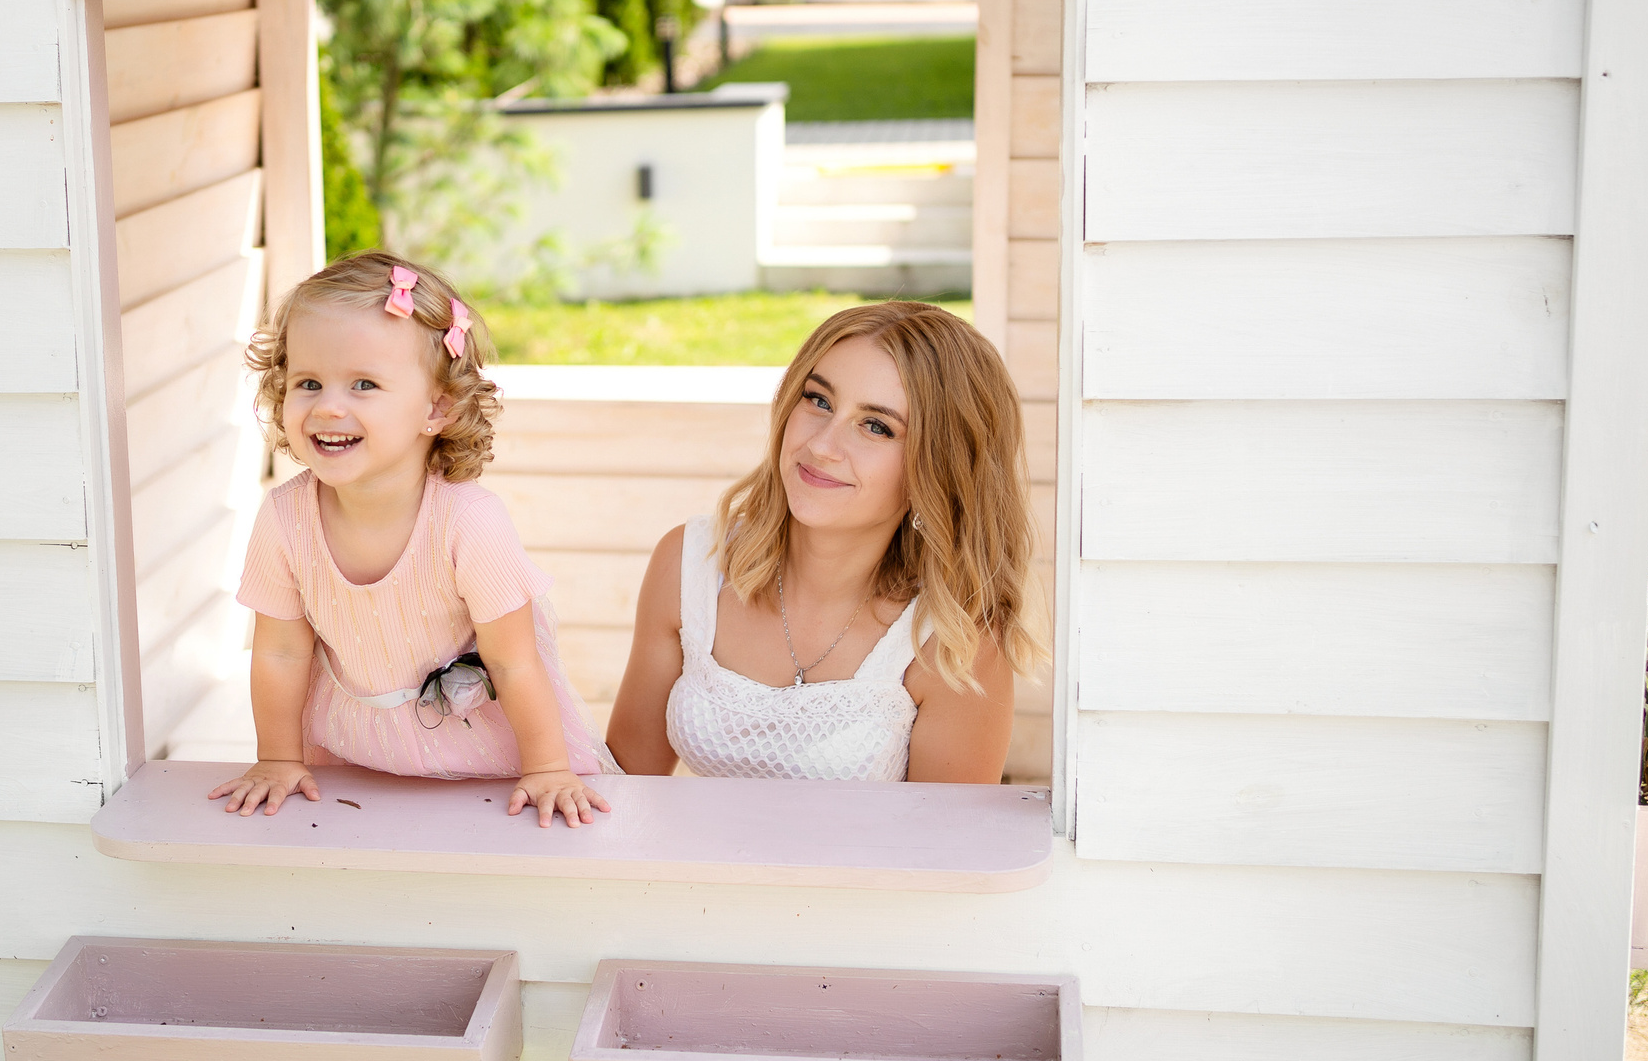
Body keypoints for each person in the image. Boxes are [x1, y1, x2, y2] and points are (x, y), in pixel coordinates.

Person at [210, 251, 614, 827]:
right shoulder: (284, 518)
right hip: (356, 746)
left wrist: (546, 767)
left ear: (438, 407)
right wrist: (277, 757)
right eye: (308, 382)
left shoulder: (468, 522)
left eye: (364, 384)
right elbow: (279, 650)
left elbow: (515, 660)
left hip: (483, 750)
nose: (329, 406)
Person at [606, 302, 1041, 783]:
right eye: (818, 400)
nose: (821, 446)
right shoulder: (691, 563)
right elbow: (627, 784)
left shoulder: (955, 640)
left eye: (877, 426)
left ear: (938, 470)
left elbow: (946, 851)